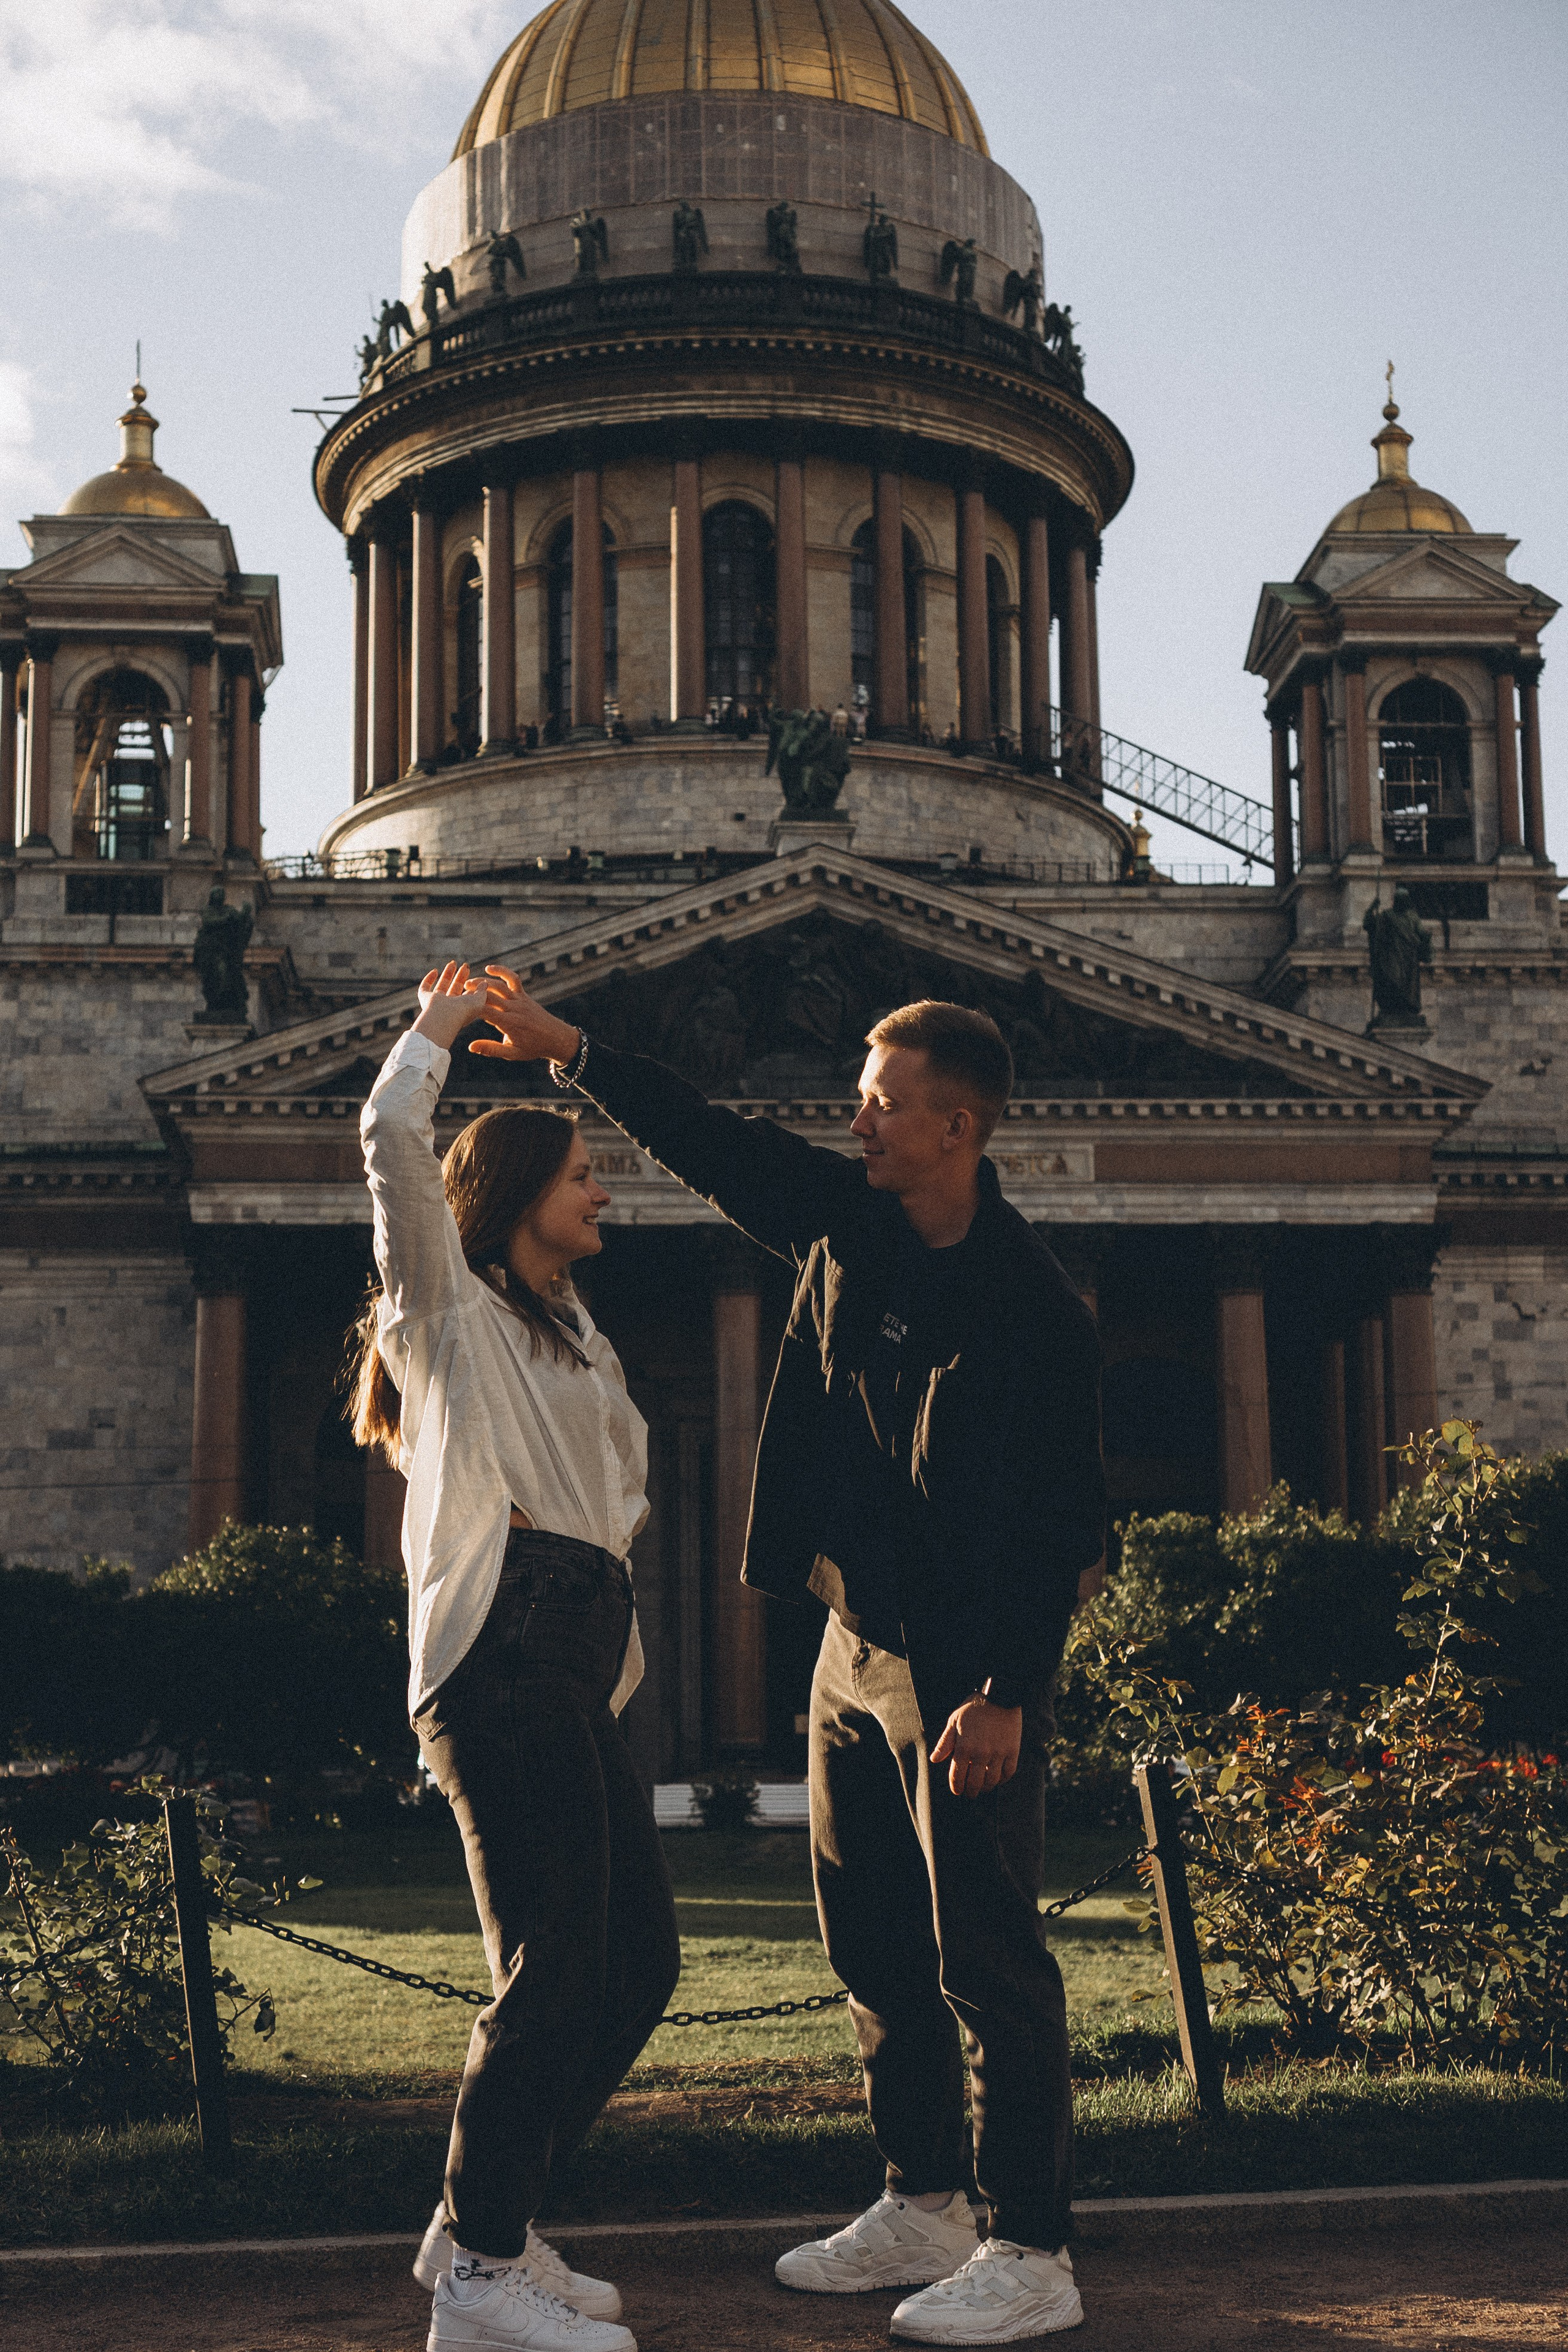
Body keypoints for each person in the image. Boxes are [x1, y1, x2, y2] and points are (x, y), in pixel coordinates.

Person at [473, 971, 1106, 2345]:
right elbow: (717, 1144)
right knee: (873, 1940)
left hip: (962, 1673)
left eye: (879, 1106)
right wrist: (572, 1051)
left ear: (957, 1128)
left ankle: (1033, 2247)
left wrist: (1004, 1690)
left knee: (987, 1955)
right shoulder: (850, 1229)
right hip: (853, 1640)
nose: (854, 1124)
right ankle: (925, 2198)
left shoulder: (1033, 1307)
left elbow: (1062, 1523)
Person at [352, 961, 679, 2352]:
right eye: (582, 1173)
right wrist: (436, 1031)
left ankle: (487, 2224)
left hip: (572, 1656)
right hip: (502, 1652)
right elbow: (388, 1149)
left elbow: (617, 1510)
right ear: (519, 1189)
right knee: (557, 1962)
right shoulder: (452, 1315)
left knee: (639, 1962)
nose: (603, 1194)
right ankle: (482, 2279)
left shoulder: (576, 1342)